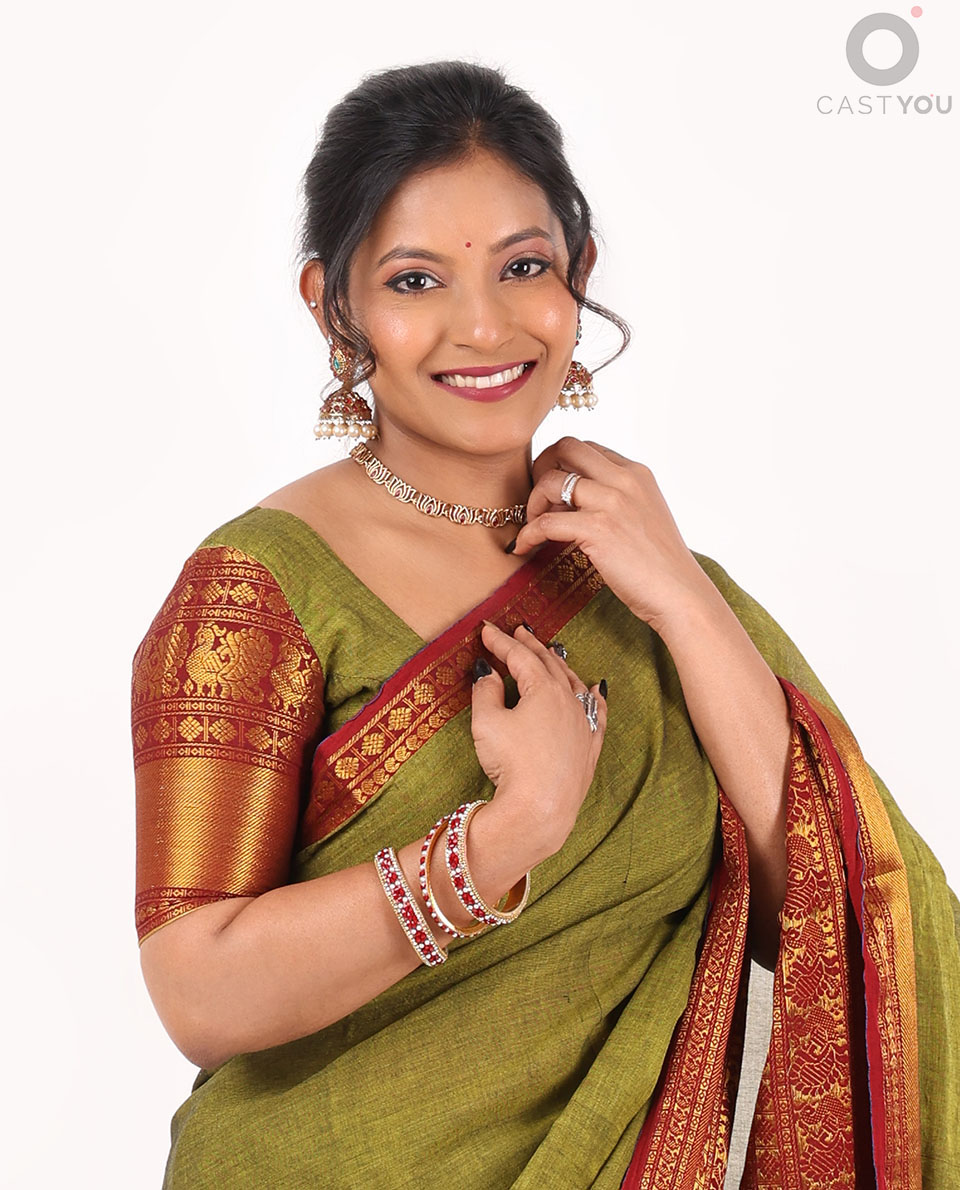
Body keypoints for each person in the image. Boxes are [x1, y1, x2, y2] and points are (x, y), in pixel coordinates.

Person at [132, 60, 959, 1188]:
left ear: (581, 275)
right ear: (333, 304)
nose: (483, 325)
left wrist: (679, 593)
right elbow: (200, 995)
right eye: (416, 280)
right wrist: (507, 836)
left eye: (524, 267)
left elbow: (823, 901)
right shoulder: (256, 590)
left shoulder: (648, 579)